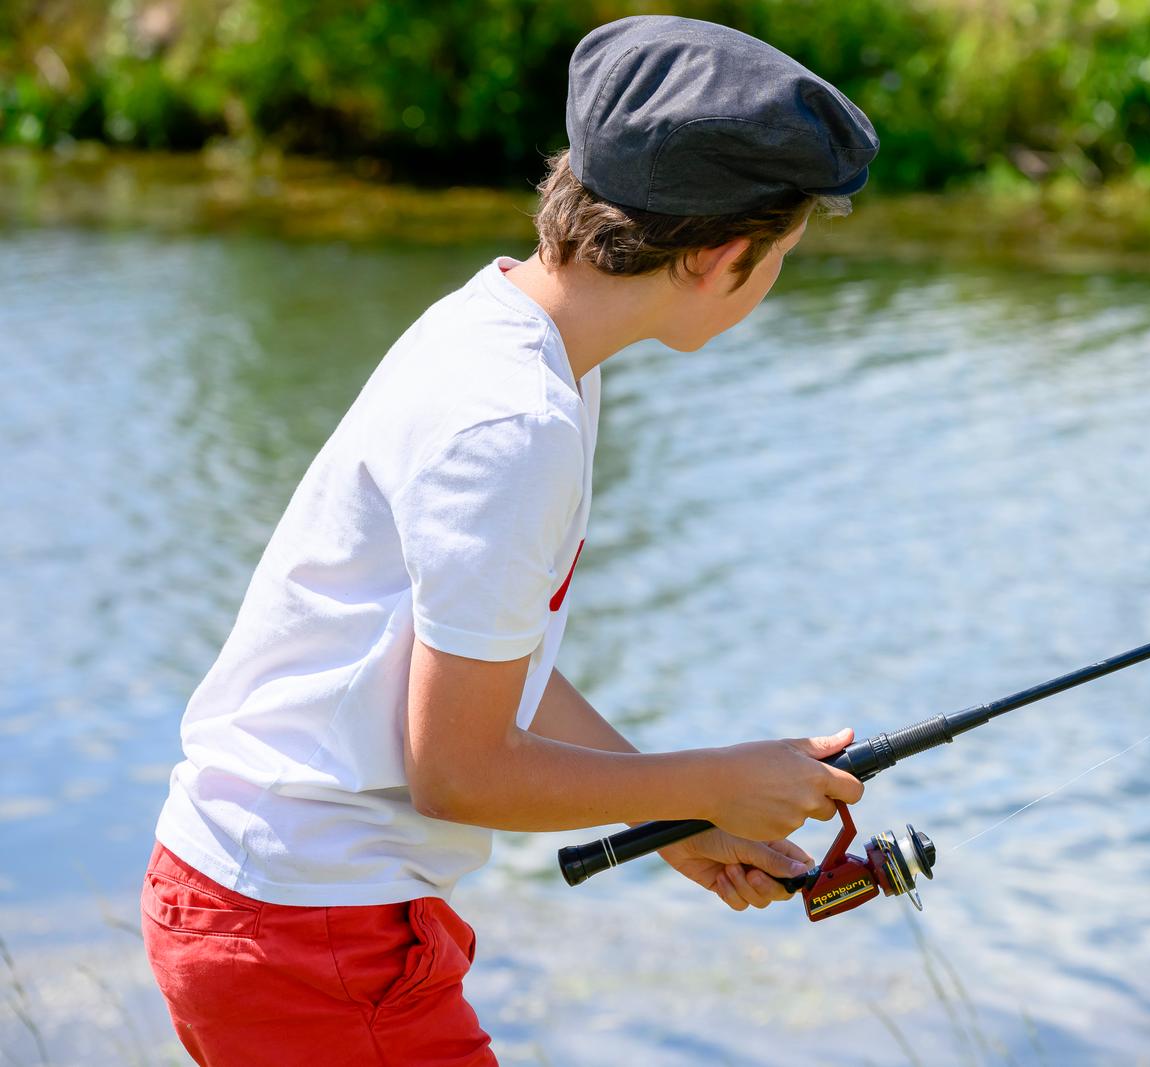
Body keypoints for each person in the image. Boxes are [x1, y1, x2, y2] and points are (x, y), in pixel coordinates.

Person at [140, 15, 880, 1065]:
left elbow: (495, 664)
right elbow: (458, 770)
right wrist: (708, 778)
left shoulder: (520, 336)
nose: (770, 288)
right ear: (719, 258)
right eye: (780, 263)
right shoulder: (513, 421)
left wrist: (684, 819)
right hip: (309, 932)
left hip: (281, 902)